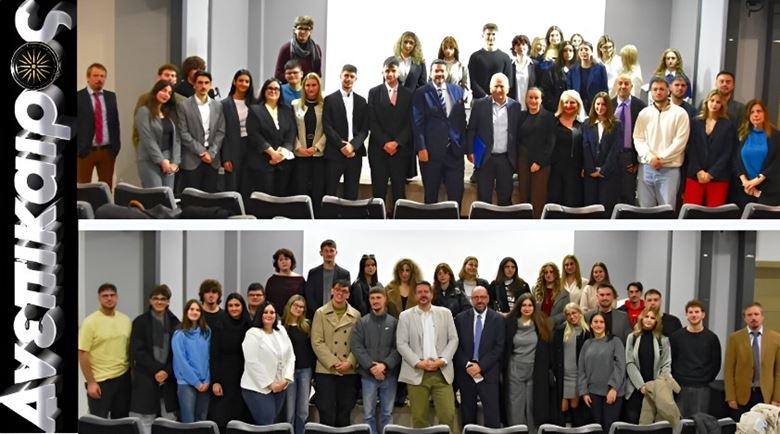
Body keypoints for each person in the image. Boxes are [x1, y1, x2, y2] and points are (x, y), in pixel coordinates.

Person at [396, 281, 459, 433]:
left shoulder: (445, 313)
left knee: (448, 415)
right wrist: (418, 363)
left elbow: (453, 339)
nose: (423, 295)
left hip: (441, 373)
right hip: (416, 372)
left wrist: (442, 360)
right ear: (415, 295)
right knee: (419, 419)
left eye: (426, 291)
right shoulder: (405, 316)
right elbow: (401, 344)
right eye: (420, 292)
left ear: (431, 294)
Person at [412, 59, 469, 208]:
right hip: (431, 154)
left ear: (447, 73)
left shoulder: (457, 91)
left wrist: (464, 145)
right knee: (431, 198)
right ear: (431, 73)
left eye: (442, 71)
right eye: (436, 71)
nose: (439, 74)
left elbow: (461, 120)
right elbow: (417, 123)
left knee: (456, 197)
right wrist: (421, 148)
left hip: (454, 153)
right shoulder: (421, 93)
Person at [633, 76, 691, 209]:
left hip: (669, 169)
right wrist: (650, 157)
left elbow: (680, 141)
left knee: (667, 210)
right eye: (655, 89)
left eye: (661, 89)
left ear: (668, 90)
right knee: (645, 210)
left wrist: (661, 158)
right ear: (651, 92)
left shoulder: (680, 113)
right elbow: (638, 138)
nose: (658, 92)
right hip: (646, 167)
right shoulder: (644, 113)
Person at [129, 285, 180, 433]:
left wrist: (166, 371)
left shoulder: (176, 323)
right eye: (155, 298)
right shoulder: (140, 322)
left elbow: (178, 354)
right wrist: (157, 370)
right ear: (150, 301)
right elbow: (137, 351)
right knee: (145, 420)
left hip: (168, 381)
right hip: (146, 378)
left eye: (163, 299)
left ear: (168, 301)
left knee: (169, 421)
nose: (159, 301)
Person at [311, 279, 361, 427]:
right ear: (332, 291)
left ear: (348, 294)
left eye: (344, 291)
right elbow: (317, 342)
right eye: (338, 290)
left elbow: (358, 343)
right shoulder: (320, 313)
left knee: (345, 411)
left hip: (348, 370)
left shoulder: (356, 315)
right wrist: (333, 363)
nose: (340, 293)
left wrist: (350, 362)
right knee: (326, 411)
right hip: (326, 370)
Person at [351, 287, 401, 434]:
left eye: (378, 298)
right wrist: (372, 367)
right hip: (368, 376)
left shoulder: (394, 323)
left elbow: (399, 348)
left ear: (385, 299)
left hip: (389, 375)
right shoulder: (362, 323)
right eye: (372, 298)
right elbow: (357, 347)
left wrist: (384, 365)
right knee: (368, 415)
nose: (375, 301)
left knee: (387, 414)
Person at [78, 283, 132, 418]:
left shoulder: (126, 320)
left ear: (117, 297)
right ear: (99, 298)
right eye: (105, 296)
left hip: (123, 378)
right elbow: (83, 353)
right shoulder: (90, 322)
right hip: (100, 380)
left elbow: (129, 349)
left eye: (112, 295)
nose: (109, 298)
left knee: (122, 421)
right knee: (98, 422)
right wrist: (91, 382)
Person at [454, 286, 505, 428]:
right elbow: (456, 345)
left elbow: (499, 347)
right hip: (467, 373)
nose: (479, 300)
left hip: (488, 373)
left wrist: (481, 366)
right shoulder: (460, 319)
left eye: (482, 297)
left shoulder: (498, 319)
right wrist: (468, 365)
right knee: (468, 417)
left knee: (492, 417)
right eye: (476, 297)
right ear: (471, 299)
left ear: (488, 298)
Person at [467, 73, 521, 206]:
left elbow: (518, 133)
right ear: (490, 88)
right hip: (486, 158)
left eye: (502, 86)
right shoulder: (479, 105)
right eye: (496, 86)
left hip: (506, 159)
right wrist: (470, 151)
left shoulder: (515, 107)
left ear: (508, 88)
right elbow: (471, 129)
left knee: (505, 198)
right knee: (484, 198)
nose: (498, 89)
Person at [504, 293, 554, 431]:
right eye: (524, 305)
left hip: (535, 371)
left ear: (534, 307)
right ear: (519, 307)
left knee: (533, 407)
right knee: (515, 408)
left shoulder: (541, 323)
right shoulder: (509, 323)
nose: (527, 308)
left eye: (530, 305)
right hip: (515, 370)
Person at [368, 57, 413, 210]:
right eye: (387, 70)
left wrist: (397, 142)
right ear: (382, 72)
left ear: (399, 73)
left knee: (399, 193)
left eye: (393, 70)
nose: (390, 74)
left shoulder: (408, 94)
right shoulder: (374, 92)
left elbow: (410, 122)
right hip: (378, 150)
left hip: (400, 152)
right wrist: (385, 142)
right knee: (378, 194)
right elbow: (372, 120)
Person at [724, 302, 780, 421]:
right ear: (745, 318)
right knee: (743, 427)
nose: (753, 318)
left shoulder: (776, 338)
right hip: (742, 397)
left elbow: (778, 372)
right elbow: (729, 370)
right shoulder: (735, 338)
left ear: (762, 316)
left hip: (766, 396)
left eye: (756, 314)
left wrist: (776, 398)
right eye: (749, 315)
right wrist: (730, 397)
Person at [241, 303, 295, 425]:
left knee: (273, 424)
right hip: (257, 388)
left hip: (280, 386)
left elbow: (291, 356)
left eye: (272, 312)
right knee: (267, 424)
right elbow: (252, 362)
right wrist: (270, 384)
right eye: (265, 312)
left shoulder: (281, 330)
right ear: (260, 314)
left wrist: (286, 379)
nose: (269, 315)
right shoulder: (252, 333)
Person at [683, 89, 738, 207]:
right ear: (706, 102)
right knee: (691, 211)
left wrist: (711, 173)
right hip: (696, 175)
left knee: (714, 213)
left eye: (718, 102)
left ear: (722, 105)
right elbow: (691, 148)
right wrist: (698, 171)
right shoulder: (695, 122)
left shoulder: (728, 125)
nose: (714, 104)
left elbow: (728, 152)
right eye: (712, 100)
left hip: (718, 176)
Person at [323, 64, 369, 200]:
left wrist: (352, 146)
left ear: (356, 79)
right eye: (346, 75)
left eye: (352, 76)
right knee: (330, 192)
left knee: (352, 193)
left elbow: (364, 129)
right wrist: (341, 145)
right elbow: (327, 126)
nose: (348, 79)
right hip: (335, 153)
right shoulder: (330, 99)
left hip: (355, 154)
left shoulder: (362, 101)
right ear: (340, 76)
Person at [669, 300, 722, 417]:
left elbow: (716, 363)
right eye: (690, 312)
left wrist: (705, 380)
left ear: (703, 315)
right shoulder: (676, 337)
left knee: (700, 422)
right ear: (686, 315)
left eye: (697, 312)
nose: (694, 315)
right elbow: (670, 360)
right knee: (679, 422)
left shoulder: (711, 338)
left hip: (702, 388)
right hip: (680, 387)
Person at [246, 78, 297, 197]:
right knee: (264, 199)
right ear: (264, 91)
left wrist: (282, 153)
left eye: (276, 89)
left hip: (283, 163)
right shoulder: (255, 110)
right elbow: (254, 134)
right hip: (262, 162)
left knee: (281, 197)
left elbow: (291, 133)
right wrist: (272, 153)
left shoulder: (287, 110)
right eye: (270, 88)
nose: (273, 91)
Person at [208, 293, 252, 432]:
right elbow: (214, 354)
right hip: (223, 377)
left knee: (241, 416)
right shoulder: (219, 324)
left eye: (237, 305)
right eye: (230, 305)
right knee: (221, 415)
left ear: (242, 306)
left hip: (244, 376)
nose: (234, 308)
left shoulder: (249, 325)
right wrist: (215, 381)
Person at [177, 70, 225, 193]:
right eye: (200, 83)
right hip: (192, 158)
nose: (203, 86)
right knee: (192, 197)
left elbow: (221, 131)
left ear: (210, 85)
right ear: (194, 85)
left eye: (206, 83)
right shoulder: (183, 105)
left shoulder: (218, 106)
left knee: (210, 197)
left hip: (212, 158)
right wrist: (202, 152)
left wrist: (212, 152)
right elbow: (183, 132)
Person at [577, 312, 626, 433]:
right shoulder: (587, 344)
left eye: (601, 322)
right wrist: (584, 392)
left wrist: (613, 388)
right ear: (590, 325)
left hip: (612, 393)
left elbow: (620, 366)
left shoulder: (615, 341)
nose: (598, 325)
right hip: (593, 394)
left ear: (606, 325)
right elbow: (581, 369)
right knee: (596, 428)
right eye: (595, 322)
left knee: (609, 428)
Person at [623, 306, 672, 424]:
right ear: (641, 318)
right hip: (635, 389)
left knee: (652, 424)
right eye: (646, 316)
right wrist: (641, 386)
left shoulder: (663, 340)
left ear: (657, 321)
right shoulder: (632, 337)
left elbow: (666, 364)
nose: (649, 320)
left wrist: (657, 385)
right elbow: (629, 362)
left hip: (655, 390)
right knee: (633, 423)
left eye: (652, 318)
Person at [77, 63, 121, 188]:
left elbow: (115, 123)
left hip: (107, 151)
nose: (99, 79)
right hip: (85, 151)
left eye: (102, 76)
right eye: (96, 75)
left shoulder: (111, 97)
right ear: (88, 77)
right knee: (83, 189)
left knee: (106, 188)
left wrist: (116, 147)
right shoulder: (79, 97)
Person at [517, 87, 556, 217]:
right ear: (526, 99)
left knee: (538, 199)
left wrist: (539, 162)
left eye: (536, 98)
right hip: (523, 162)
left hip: (541, 165)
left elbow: (551, 143)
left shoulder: (549, 117)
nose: (533, 101)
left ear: (541, 100)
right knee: (523, 196)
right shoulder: (521, 116)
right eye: (530, 97)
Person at [583, 92, 623, 214]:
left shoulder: (616, 124)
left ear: (608, 106)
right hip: (591, 174)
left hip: (608, 174)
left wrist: (603, 170)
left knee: (606, 209)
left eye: (603, 104)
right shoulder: (587, 123)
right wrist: (591, 169)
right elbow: (585, 147)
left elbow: (615, 149)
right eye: (598, 104)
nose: (600, 107)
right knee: (591, 209)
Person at [291, 72, 326, 213]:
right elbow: (291, 129)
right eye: (307, 85)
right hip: (300, 155)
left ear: (319, 86)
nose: (310, 88)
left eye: (314, 85)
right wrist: (298, 147)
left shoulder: (325, 105)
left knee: (318, 191)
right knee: (301, 190)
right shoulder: (295, 104)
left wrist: (317, 147)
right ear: (303, 87)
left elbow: (328, 129)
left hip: (318, 155)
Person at [172, 299, 211, 423]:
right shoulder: (179, 334)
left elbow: (210, 358)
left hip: (204, 383)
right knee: (188, 421)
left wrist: (207, 380)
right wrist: (196, 383)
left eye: (198, 310)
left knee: (202, 420)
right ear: (186, 312)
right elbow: (181, 362)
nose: (194, 312)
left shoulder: (206, 332)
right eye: (191, 309)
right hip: (186, 383)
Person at [135, 79, 180, 189]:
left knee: (168, 196)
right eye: (164, 90)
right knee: (155, 195)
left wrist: (175, 162)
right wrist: (161, 161)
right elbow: (147, 138)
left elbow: (176, 140)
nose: (166, 95)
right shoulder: (143, 111)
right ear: (156, 91)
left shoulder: (168, 114)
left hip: (169, 162)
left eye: (169, 93)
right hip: (149, 161)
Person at [552, 303, 591, 427]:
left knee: (575, 406)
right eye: (568, 314)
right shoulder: (560, 330)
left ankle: (575, 428)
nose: (571, 316)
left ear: (580, 313)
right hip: (563, 376)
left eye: (574, 313)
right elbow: (554, 352)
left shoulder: (587, 332)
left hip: (578, 376)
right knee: (562, 407)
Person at [735, 99, 780, 206]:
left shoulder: (775, 135)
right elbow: (736, 160)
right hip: (745, 189)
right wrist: (745, 182)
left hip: (769, 190)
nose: (755, 115)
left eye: (759, 111)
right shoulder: (743, 134)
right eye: (752, 112)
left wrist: (755, 181)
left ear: (765, 113)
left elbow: (776, 162)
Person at [612, 73, 648, 205]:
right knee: (611, 194)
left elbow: (644, 135)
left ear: (631, 86)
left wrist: (636, 159)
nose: (623, 86)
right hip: (611, 156)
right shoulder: (608, 105)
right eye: (620, 83)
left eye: (626, 83)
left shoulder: (641, 107)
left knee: (628, 194)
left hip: (629, 156)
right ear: (615, 86)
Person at [282, 295, 315, 434]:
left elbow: (311, 349)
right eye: (296, 305)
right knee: (289, 410)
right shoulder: (281, 327)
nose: (298, 309)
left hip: (305, 371)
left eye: (301, 307)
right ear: (289, 306)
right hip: (288, 373)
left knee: (303, 410)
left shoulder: (307, 326)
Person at [221, 69, 256, 196]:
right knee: (233, 184)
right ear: (234, 82)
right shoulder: (224, 104)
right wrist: (226, 157)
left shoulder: (255, 103)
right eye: (241, 80)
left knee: (249, 183)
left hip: (251, 147)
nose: (244, 84)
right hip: (233, 148)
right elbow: (223, 133)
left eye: (247, 81)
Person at [549, 90, 585, 207]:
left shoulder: (583, 124)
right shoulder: (552, 122)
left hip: (575, 171)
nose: (568, 105)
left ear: (578, 104)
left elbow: (586, 148)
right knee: (555, 202)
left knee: (572, 202)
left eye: (572, 102)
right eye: (566, 102)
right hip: (555, 170)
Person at [132, 64, 182, 148]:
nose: (170, 78)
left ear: (176, 80)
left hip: (174, 149)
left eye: (173, 76)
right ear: (158, 78)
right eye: (167, 75)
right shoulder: (145, 98)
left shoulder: (181, 100)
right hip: (149, 148)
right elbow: (137, 129)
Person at [304, 239, 351, 318]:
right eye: (326, 251)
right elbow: (309, 296)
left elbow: (345, 295)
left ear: (336, 252)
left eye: (331, 251)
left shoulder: (344, 274)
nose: (329, 254)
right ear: (321, 253)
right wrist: (319, 312)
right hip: (316, 315)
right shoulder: (313, 273)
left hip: (337, 316)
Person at [468, 23, 513, 100]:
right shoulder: (475, 57)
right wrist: (485, 97)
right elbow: (472, 81)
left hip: (499, 100)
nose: (491, 37)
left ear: (497, 36)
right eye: (488, 34)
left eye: (493, 34)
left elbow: (509, 82)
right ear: (483, 36)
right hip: (479, 100)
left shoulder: (505, 58)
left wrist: (497, 96)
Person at [274, 15, 322, 81]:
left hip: (309, 86)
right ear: (294, 30)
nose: (303, 31)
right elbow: (278, 74)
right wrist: (294, 81)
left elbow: (318, 74)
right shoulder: (286, 48)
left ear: (311, 31)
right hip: (290, 86)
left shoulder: (316, 49)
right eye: (300, 28)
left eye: (306, 29)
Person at [567, 42, 608, 116]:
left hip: (595, 106)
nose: (583, 52)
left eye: (586, 49)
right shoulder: (573, 69)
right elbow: (569, 89)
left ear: (591, 52)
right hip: (577, 106)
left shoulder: (600, 68)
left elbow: (604, 89)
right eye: (581, 50)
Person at [265, 247, 306, 320]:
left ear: (291, 261)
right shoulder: (272, 280)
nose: (284, 262)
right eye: (281, 260)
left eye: (286, 259)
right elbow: (268, 301)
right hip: (276, 319)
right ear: (277, 263)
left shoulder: (300, 279)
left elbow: (303, 300)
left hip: (295, 318)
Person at [541, 41, 577, 114]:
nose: (568, 53)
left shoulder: (579, 69)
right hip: (556, 109)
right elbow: (547, 90)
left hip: (576, 109)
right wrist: (555, 106)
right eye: (565, 50)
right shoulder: (552, 70)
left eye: (570, 50)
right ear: (561, 52)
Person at [509, 34, 537, 111]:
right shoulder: (510, 65)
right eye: (518, 45)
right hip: (513, 107)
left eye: (523, 44)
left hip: (531, 107)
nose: (521, 47)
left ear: (528, 47)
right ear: (514, 48)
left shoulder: (535, 65)